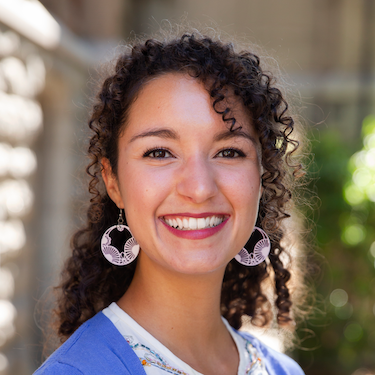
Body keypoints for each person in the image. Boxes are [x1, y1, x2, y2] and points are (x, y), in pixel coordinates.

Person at [34, 28, 308, 375]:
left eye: (228, 151)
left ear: (261, 179)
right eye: (160, 152)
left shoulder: (283, 371)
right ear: (113, 181)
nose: (199, 188)